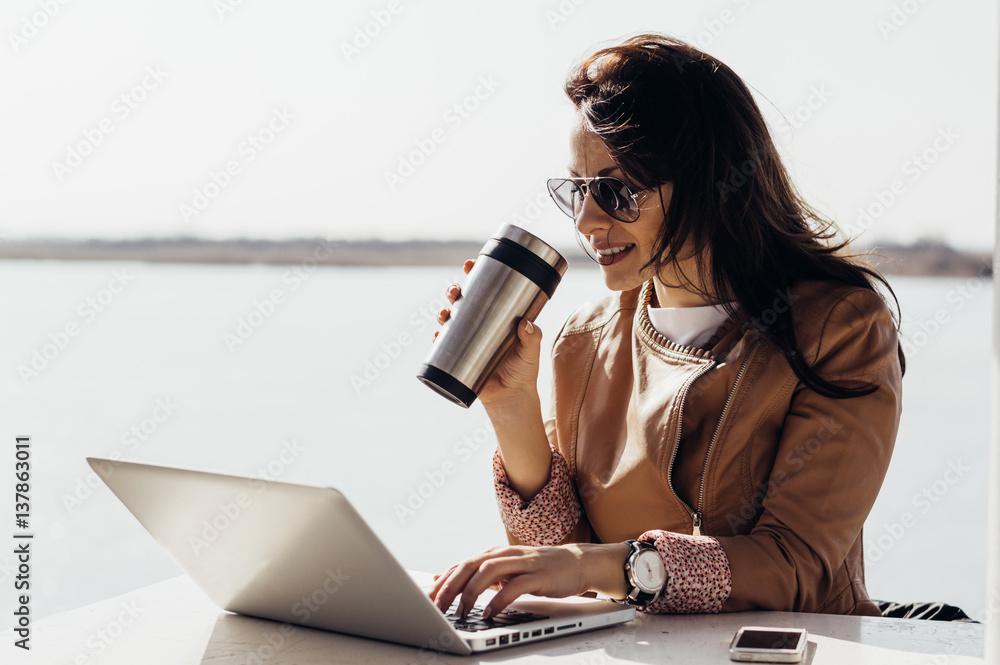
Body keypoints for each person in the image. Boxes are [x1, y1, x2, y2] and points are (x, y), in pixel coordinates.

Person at [428, 33, 904, 620]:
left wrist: (601, 566)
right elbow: (562, 569)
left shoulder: (840, 328)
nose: (586, 221)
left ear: (712, 183)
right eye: (577, 190)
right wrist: (510, 406)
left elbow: (796, 567)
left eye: (618, 191)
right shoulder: (583, 340)